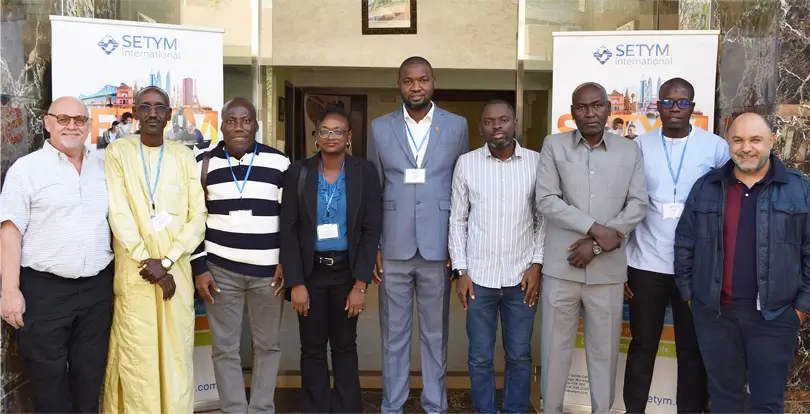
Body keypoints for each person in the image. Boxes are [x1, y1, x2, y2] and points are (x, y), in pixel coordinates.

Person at [675, 112, 810, 413]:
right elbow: (685, 244)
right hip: (716, 317)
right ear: (729, 143)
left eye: (755, 140)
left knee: (767, 403)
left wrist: (799, 309)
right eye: (738, 140)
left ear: (771, 142)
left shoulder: (799, 189)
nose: (746, 147)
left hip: (775, 317)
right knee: (724, 401)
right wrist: (691, 298)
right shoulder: (707, 187)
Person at [535, 82, 647, 414]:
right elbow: (545, 199)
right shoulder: (554, 146)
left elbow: (638, 204)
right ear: (572, 113)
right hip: (561, 268)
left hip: (608, 274)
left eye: (597, 105)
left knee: (604, 354)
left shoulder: (630, 150)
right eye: (582, 107)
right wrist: (596, 229)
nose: (590, 113)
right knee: (555, 353)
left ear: (608, 109)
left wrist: (597, 246)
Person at [367, 55, 470, 413]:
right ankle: (392, 404)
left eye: (422, 80)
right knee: (393, 335)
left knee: (435, 334)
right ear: (399, 85)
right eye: (409, 81)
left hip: (438, 246)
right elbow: (374, 189)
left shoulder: (456, 126)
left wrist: (458, 250)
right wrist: (375, 245)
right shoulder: (380, 127)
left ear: (433, 82)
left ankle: (434, 404)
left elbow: (461, 187)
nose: (416, 87)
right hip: (393, 246)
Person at [0, 96, 113, 413]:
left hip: (96, 292)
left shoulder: (103, 167)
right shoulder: (26, 171)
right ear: (47, 123)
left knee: (90, 383)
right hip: (44, 293)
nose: (72, 126)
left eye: (79, 120)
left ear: (89, 126)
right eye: (63, 119)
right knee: (49, 388)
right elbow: (10, 231)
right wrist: (9, 292)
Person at [623, 78, 726, 414]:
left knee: (692, 349)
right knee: (642, 346)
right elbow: (627, 203)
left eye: (682, 103)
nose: (675, 109)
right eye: (667, 102)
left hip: (694, 268)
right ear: (658, 107)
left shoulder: (715, 148)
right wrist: (622, 262)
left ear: (693, 108)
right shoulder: (640, 145)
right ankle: (634, 409)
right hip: (646, 264)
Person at [102, 86, 207, 413]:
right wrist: (146, 259)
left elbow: (198, 215)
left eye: (159, 107)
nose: (151, 113)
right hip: (137, 275)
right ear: (134, 111)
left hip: (176, 272)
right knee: (140, 357)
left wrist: (168, 260)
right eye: (145, 107)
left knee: (176, 354)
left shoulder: (183, 155)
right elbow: (117, 213)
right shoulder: (118, 152)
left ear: (169, 114)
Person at [280, 106, 382, 413]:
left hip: (346, 273)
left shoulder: (364, 173)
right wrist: (296, 283)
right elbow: (288, 230)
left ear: (348, 137)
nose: (331, 136)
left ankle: (347, 408)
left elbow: (371, 229)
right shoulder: (298, 173)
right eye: (324, 130)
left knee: (344, 346)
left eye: (338, 131)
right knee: (311, 349)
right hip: (310, 272)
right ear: (316, 136)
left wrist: (360, 285)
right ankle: (315, 408)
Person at [191, 98, 290, 413]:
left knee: (268, 347)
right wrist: (199, 267)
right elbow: (192, 218)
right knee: (224, 349)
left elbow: (290, 219)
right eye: (231, 120)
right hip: (221, 272)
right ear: (221, 125)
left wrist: (287, 261)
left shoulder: (279, 163)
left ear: (256, 124)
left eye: (245, 120)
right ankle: (234, 409)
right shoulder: (202, 164)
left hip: (269, 275)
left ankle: (261, 409)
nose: (238, 126)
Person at [448, 100, 544, 413]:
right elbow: (457, 220)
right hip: (479, 279)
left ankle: (516, 409)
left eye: (503, 120)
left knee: (519, 354)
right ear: (481, 128)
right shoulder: (466, 163)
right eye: (489, 122)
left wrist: (537, 265)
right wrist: (460, 271)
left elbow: (543, 219)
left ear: (515, 124)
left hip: (521, 279)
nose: (496, 126)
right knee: (479, 356)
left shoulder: (537, 163)